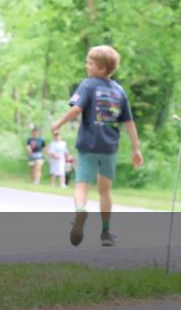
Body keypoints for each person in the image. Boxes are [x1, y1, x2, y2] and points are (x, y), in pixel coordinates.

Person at [52, 45, 143, 248]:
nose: (87, 65)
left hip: (88, 145)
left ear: (101, 68)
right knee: (105, 191)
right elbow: (129, 122)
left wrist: (58, 123)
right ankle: (105, 232)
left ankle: (81, 210)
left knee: (82, 185)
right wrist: (136, 149)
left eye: (91, 63)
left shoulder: (88, 85)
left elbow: (77, 109)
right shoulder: (120, 91)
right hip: (109, 148)